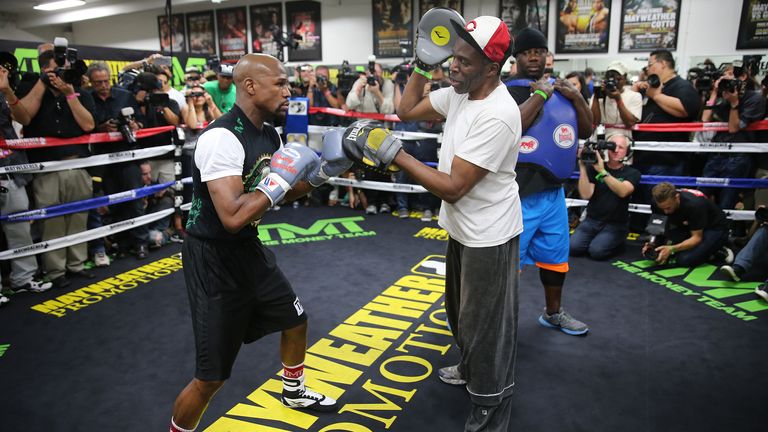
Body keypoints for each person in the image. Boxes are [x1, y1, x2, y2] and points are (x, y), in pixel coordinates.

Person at [169, 53, 343, 432]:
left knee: (295, 320)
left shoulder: (269, 133)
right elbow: (232, 215)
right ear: (250, 86)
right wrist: (276, 183)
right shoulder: (221, 138)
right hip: (213, 260)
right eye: (280, 83)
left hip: (248, 248)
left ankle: (293, 390)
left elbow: (273, 195)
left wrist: (324, 175)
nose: (288, 90)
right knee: (211, 378)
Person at [396, 15, 522, 431]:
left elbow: (453, 186)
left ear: (492, 68)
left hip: (489, 234)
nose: (453, 67)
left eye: (464, 62)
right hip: (463, 229)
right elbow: (406, 109)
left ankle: (491, 406)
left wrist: (395, 154)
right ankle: (470, 369)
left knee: (486, 326)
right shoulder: (460, 94)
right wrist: (420, 64)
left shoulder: (499, 113)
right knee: (460, 314)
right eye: (453, 57)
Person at [507, 27, 592, 336]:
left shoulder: (563, 90)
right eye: (528, 51)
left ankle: (553, 313)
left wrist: (578, 98)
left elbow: (585, 131)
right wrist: (540, 93)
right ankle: (489, 317)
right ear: (515, 57)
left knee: (556, 259)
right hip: (518, 193)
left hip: (554, 192)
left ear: (547, 56)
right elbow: (512, 127)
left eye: (539, 51)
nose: (534, 56)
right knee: (506, 265)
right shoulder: (504, 91)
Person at [16, 48, 96, 289]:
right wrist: (43, 82)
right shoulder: (30, 91)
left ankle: (77, 265)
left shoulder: (79, 92)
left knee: (78, 216)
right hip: (47, 167)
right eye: (56, 69)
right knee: (52, 221)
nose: (62, 73)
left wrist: (70, 94)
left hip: (78, 164)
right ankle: (55, 271)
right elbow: (25, 118)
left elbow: (88, 125)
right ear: (44, 69)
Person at [0, 53, 53, 304]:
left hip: (11, 167)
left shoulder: (5, 92)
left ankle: (23, 278)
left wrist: (7, 91)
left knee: (19, 224)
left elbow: (24, 118)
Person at [700, 64, 765, 210]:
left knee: (727, 200)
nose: (726, 78)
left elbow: (733, 128)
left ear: (742, 77)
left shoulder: (755, 98)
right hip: (717, 152)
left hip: (739, 155)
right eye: (724, 75)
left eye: (730, 74)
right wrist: (715, 92)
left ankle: (724, 230)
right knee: (702, 194)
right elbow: (705, 119)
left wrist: (734, 103)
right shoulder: (723, 94)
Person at [570, 134, 640, 259]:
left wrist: (602, 172)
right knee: (572, 248)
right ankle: (600, 240)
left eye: (621, 147)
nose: (616, 150)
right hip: (592, 220)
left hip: (615, 224)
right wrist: (582, 166)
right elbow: (586, 194)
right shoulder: (594, 168)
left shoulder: (632, 173)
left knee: (597, 252)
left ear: (628, 152)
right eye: (613, 146)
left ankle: (617, 241)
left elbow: (623, 191)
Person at [644, 182, 732, 267]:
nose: (665, 212)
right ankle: (708, 248)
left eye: (668, 207)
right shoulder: (657, 203)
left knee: (685, 259)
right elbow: (658, 226)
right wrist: (651, 244)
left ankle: (718, 248)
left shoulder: (694, 205)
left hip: (714, 227)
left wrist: (672, 249)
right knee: (659, 249)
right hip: (688, 225)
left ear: (677, 197)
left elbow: (696, 238)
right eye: (662, 208)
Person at [590, 61, 642, 139]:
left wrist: (618, 99)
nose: (613, 82)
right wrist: (597, 96)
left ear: (625, 79)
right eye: (610, 78)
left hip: (622, 142)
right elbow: (595, 121)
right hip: (601, 140)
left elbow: (630, 123)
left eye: (618, 78)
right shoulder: (599, 95)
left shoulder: (635, 96)